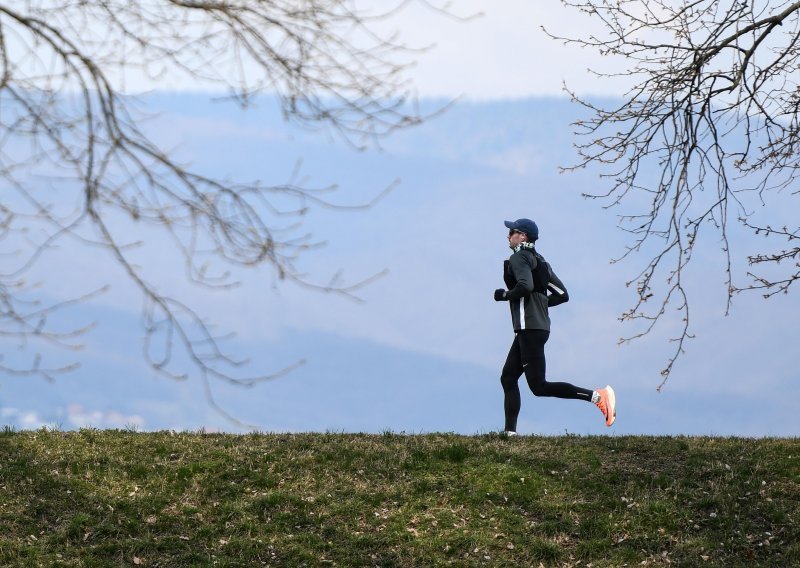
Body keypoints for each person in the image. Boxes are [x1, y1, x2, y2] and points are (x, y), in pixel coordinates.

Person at [493, 218, 616, 435]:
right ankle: (510, 433)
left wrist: (505, 295)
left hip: (529, 328)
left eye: (511, 231)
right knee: (508, 377)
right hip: (535, 328)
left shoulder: (519, 257)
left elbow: (525, 285)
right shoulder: (541, 262)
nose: (507, 235)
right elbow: (562, 295)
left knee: (539, 386)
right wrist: (540, 305)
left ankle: (598, 397)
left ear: (522, 236)